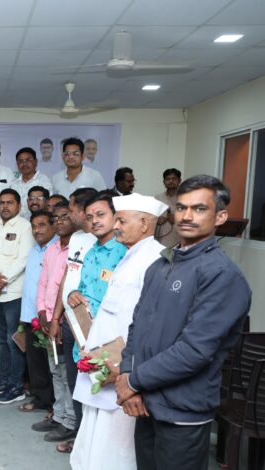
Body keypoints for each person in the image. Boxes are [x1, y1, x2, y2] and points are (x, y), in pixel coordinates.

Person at [115, 176, 251, 470]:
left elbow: (194, 351)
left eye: (199, 209)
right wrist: (128, 374)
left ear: (220, 217)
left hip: (182, 410)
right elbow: (137, 327)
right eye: (181, 207)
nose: (187, 216)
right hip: (145, 402)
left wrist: (133, 381)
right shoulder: (160, 266)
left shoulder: (221, 275)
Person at [70, 193, 168, 470]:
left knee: (117, 439)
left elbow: (145, 324)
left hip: (122, 366)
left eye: (122, 221)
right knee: (97, 429)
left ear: (145, 224)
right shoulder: (131, 254)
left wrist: (126, 369)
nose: (116, 226)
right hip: (104, 357)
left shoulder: (154, 259)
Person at [60, 192, 127, 442]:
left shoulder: (124, 252)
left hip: (110, 344)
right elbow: (83, 289)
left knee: (108, 409)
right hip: (84, 338)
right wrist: (73, 294)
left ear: (115, 216)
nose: (94, 221)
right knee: (84, 401)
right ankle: (82, 446)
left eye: (100, 214)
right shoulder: (91, 252)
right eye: (89, 217)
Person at [46, 187, 98, 454]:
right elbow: (67, 278)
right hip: (67, 319)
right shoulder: (77, 238)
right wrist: (57, 316)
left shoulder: (100, 240)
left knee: (90, 382)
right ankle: (77, 434)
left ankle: (87, 441)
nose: (69, 213)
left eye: (73, 209)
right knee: (73, 378)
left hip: (88, 322)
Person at [0, 189, 35, 404]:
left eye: (10, 203)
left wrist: (0, 281)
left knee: (13, 341)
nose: (5, 206)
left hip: (13, 295)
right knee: (0, 341)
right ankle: (3, 382)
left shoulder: (25, 227)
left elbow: (23, 260)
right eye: (2, 202)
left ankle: (16, 386)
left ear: (19, 206)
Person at [32, 201, 76, 441]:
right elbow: (43, 283)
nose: (59, 221)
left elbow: (66, 288)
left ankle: (70, 421)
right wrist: (42, 313)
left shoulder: (77, 250)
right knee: (56, 371)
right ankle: (58, 416)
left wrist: (57, 319)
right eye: (56, 218)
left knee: (67, 374)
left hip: (65, 321)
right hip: (48, 319)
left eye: (64, 216)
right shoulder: (52, 250)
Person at [19, 210, 57, 413]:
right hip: (30, 315)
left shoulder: (58, 249)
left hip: (49, 317)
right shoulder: (33, 250)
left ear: (53, 226)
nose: (37, 230)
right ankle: (41, 399)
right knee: (35, 361)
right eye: (34, 226)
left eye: (42, 225)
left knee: (54, 364)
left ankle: (56, 406)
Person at [10, 147, 53, 218]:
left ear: (36, 162)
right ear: (17, 164)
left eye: (28, 160)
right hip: (18, 223)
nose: (24, 164)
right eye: (20, 161)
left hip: (37, 222)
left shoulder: (44, 182)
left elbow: (48, 206)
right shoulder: (14, 184)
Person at [154, 168, 182, 248]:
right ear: (164, 182)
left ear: (179, 180)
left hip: (178, 241)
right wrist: (156, 220)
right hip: (159, 240)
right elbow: (149, 218)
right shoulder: (157, 198)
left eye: (174, 179)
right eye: (168, 179)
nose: (170, 181)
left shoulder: (186, 198)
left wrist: (176, 219)